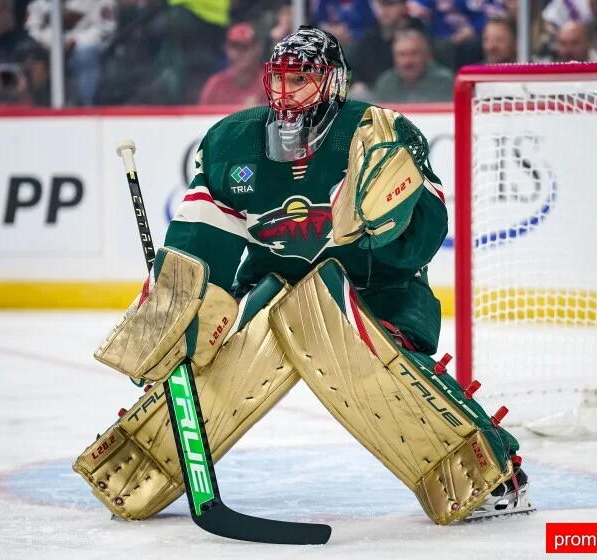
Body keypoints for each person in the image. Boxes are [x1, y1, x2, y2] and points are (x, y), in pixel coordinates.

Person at [73, 26, 532, 527]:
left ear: (333, 83)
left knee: (374, 356)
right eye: (280, 79)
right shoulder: (234, 144)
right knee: (223, 351)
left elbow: (422, 238)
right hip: (275, 282)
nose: (287, 94)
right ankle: (148, 457)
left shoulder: (376, 132)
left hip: (377, 292)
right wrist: (176, 312)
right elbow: (203, 246)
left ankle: (492, 473)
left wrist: (392, 220)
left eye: (302, 80)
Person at [198, 22, 266, 106]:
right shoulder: (216, 85)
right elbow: (201, 117)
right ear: (227, 49)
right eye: (235, 48)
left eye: (245, 48)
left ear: (257, 49)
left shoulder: (270, 85)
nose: (240, 54)